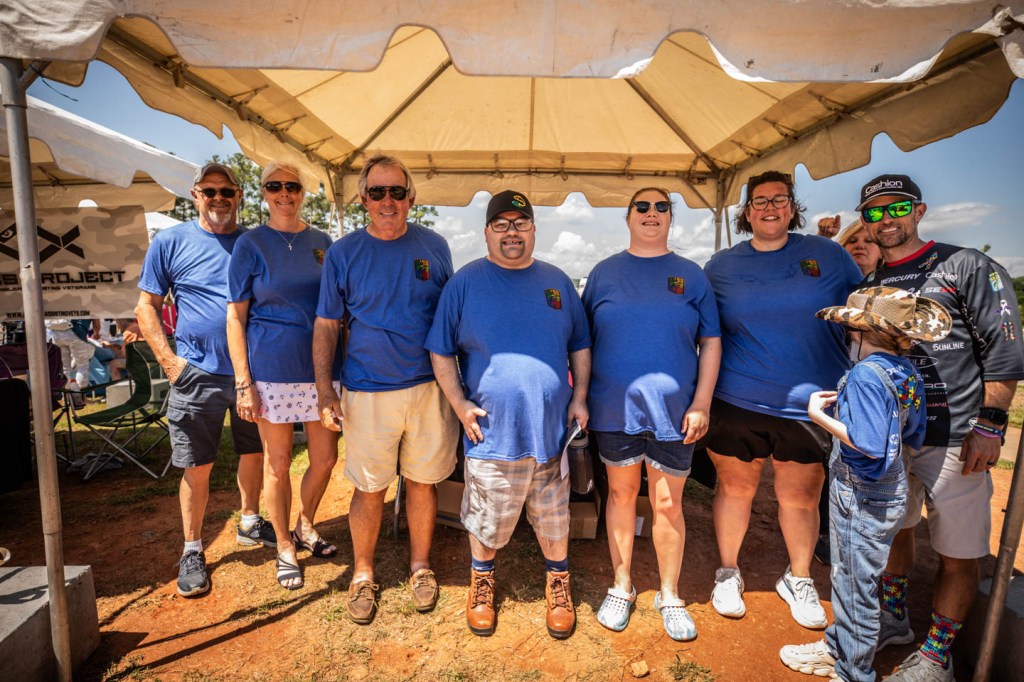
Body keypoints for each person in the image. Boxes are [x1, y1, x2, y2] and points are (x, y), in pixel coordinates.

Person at [853, 174, 1024, 681]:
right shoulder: (868, 287)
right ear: (865, 220)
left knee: (958, 550)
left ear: (919, 211)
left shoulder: (964, 265)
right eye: (875, 212)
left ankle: (936, 656)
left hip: (956, 437)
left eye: (897, 208)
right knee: (896, 530)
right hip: (891, 437)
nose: (887, 220)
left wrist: (991, 425)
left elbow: (1004, 347)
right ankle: (894, 618)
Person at [426, 190, 592, 640]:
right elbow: (440, 350)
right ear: (486, 232)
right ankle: (481, 584)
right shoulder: (465, 283)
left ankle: (558, 583)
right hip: (492, 433)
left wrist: (579, 398)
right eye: (501, 224)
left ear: (534, 230)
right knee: (487, 518)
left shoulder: (557, 282)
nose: (511, 232)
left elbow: (579, 344)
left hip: (552, 433)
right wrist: (459, 404)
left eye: (520, 223)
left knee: (554, 516)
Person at [703, 170, 863, 629]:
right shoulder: (721, 266)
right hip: (737, 398)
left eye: (779, 199)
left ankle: (799, 577)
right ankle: (727, 573)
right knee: (735, 488)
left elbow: (860, 313)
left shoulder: (829, 256)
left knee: (801, 497)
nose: (770, 207)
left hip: (811, 404)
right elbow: (703, 327)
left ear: (792, 208)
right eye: (760, 200)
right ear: (746, 212)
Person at [780, 286, 951, 682]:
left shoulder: (864, 374)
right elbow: (912, 433)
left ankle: (852, 671)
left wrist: (817, 415)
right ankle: (840, 648)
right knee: (860, 578)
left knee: (853, 587)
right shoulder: (906, 370)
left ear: (860, 332)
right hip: (891, 487)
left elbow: (869, 444)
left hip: (860, 491)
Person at [313, 154, 458, 622]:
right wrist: (325, 391)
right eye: (378, 192)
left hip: (429, 387)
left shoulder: (435, 246)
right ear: (363, 199)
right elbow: (327, 324)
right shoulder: (343, 253)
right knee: (370, 487)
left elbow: (452, 316)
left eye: (397, 191)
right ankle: (362, 573)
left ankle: (420, 566)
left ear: (411, 197)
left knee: (422, 482)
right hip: (367, 391)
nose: (388, 201)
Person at [582, 187, 721, 640]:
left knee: (667, 504)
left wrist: (701, 403)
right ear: (628, 217)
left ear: (670, 218)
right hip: (613, 409)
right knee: (621, 496)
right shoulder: (603, 273)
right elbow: (581, 343)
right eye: (641, 206)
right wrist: (579, 396)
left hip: (675, 414)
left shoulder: (691, 275)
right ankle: (621, 585)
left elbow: (711, 342)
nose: (651, 213)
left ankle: (670, 594)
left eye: (662, 207)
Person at [136, 162, 274, 598]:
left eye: (226, 191)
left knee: (254, 452)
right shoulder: (171, 241)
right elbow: (146, 306)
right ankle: (193, 548)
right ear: (195, 195)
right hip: (196, 374)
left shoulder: (254, 242)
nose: (218, 198)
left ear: (239, 196)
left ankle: (250, 521)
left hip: (252, 373)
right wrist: (169, 362)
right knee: (197, 465)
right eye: (209, 191)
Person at [227, 162, 341, 590]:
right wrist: (244, 382)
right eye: (274, 186)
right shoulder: (250, 244)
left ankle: (305, 526)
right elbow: (235, 318)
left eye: (292, 186)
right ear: (263, 193)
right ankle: (283, 546)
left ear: (302, 192)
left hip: (321, 370)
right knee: (277, 465)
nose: (284, 193)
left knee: (325, 459)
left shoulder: (323, 243)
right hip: (271, 371)